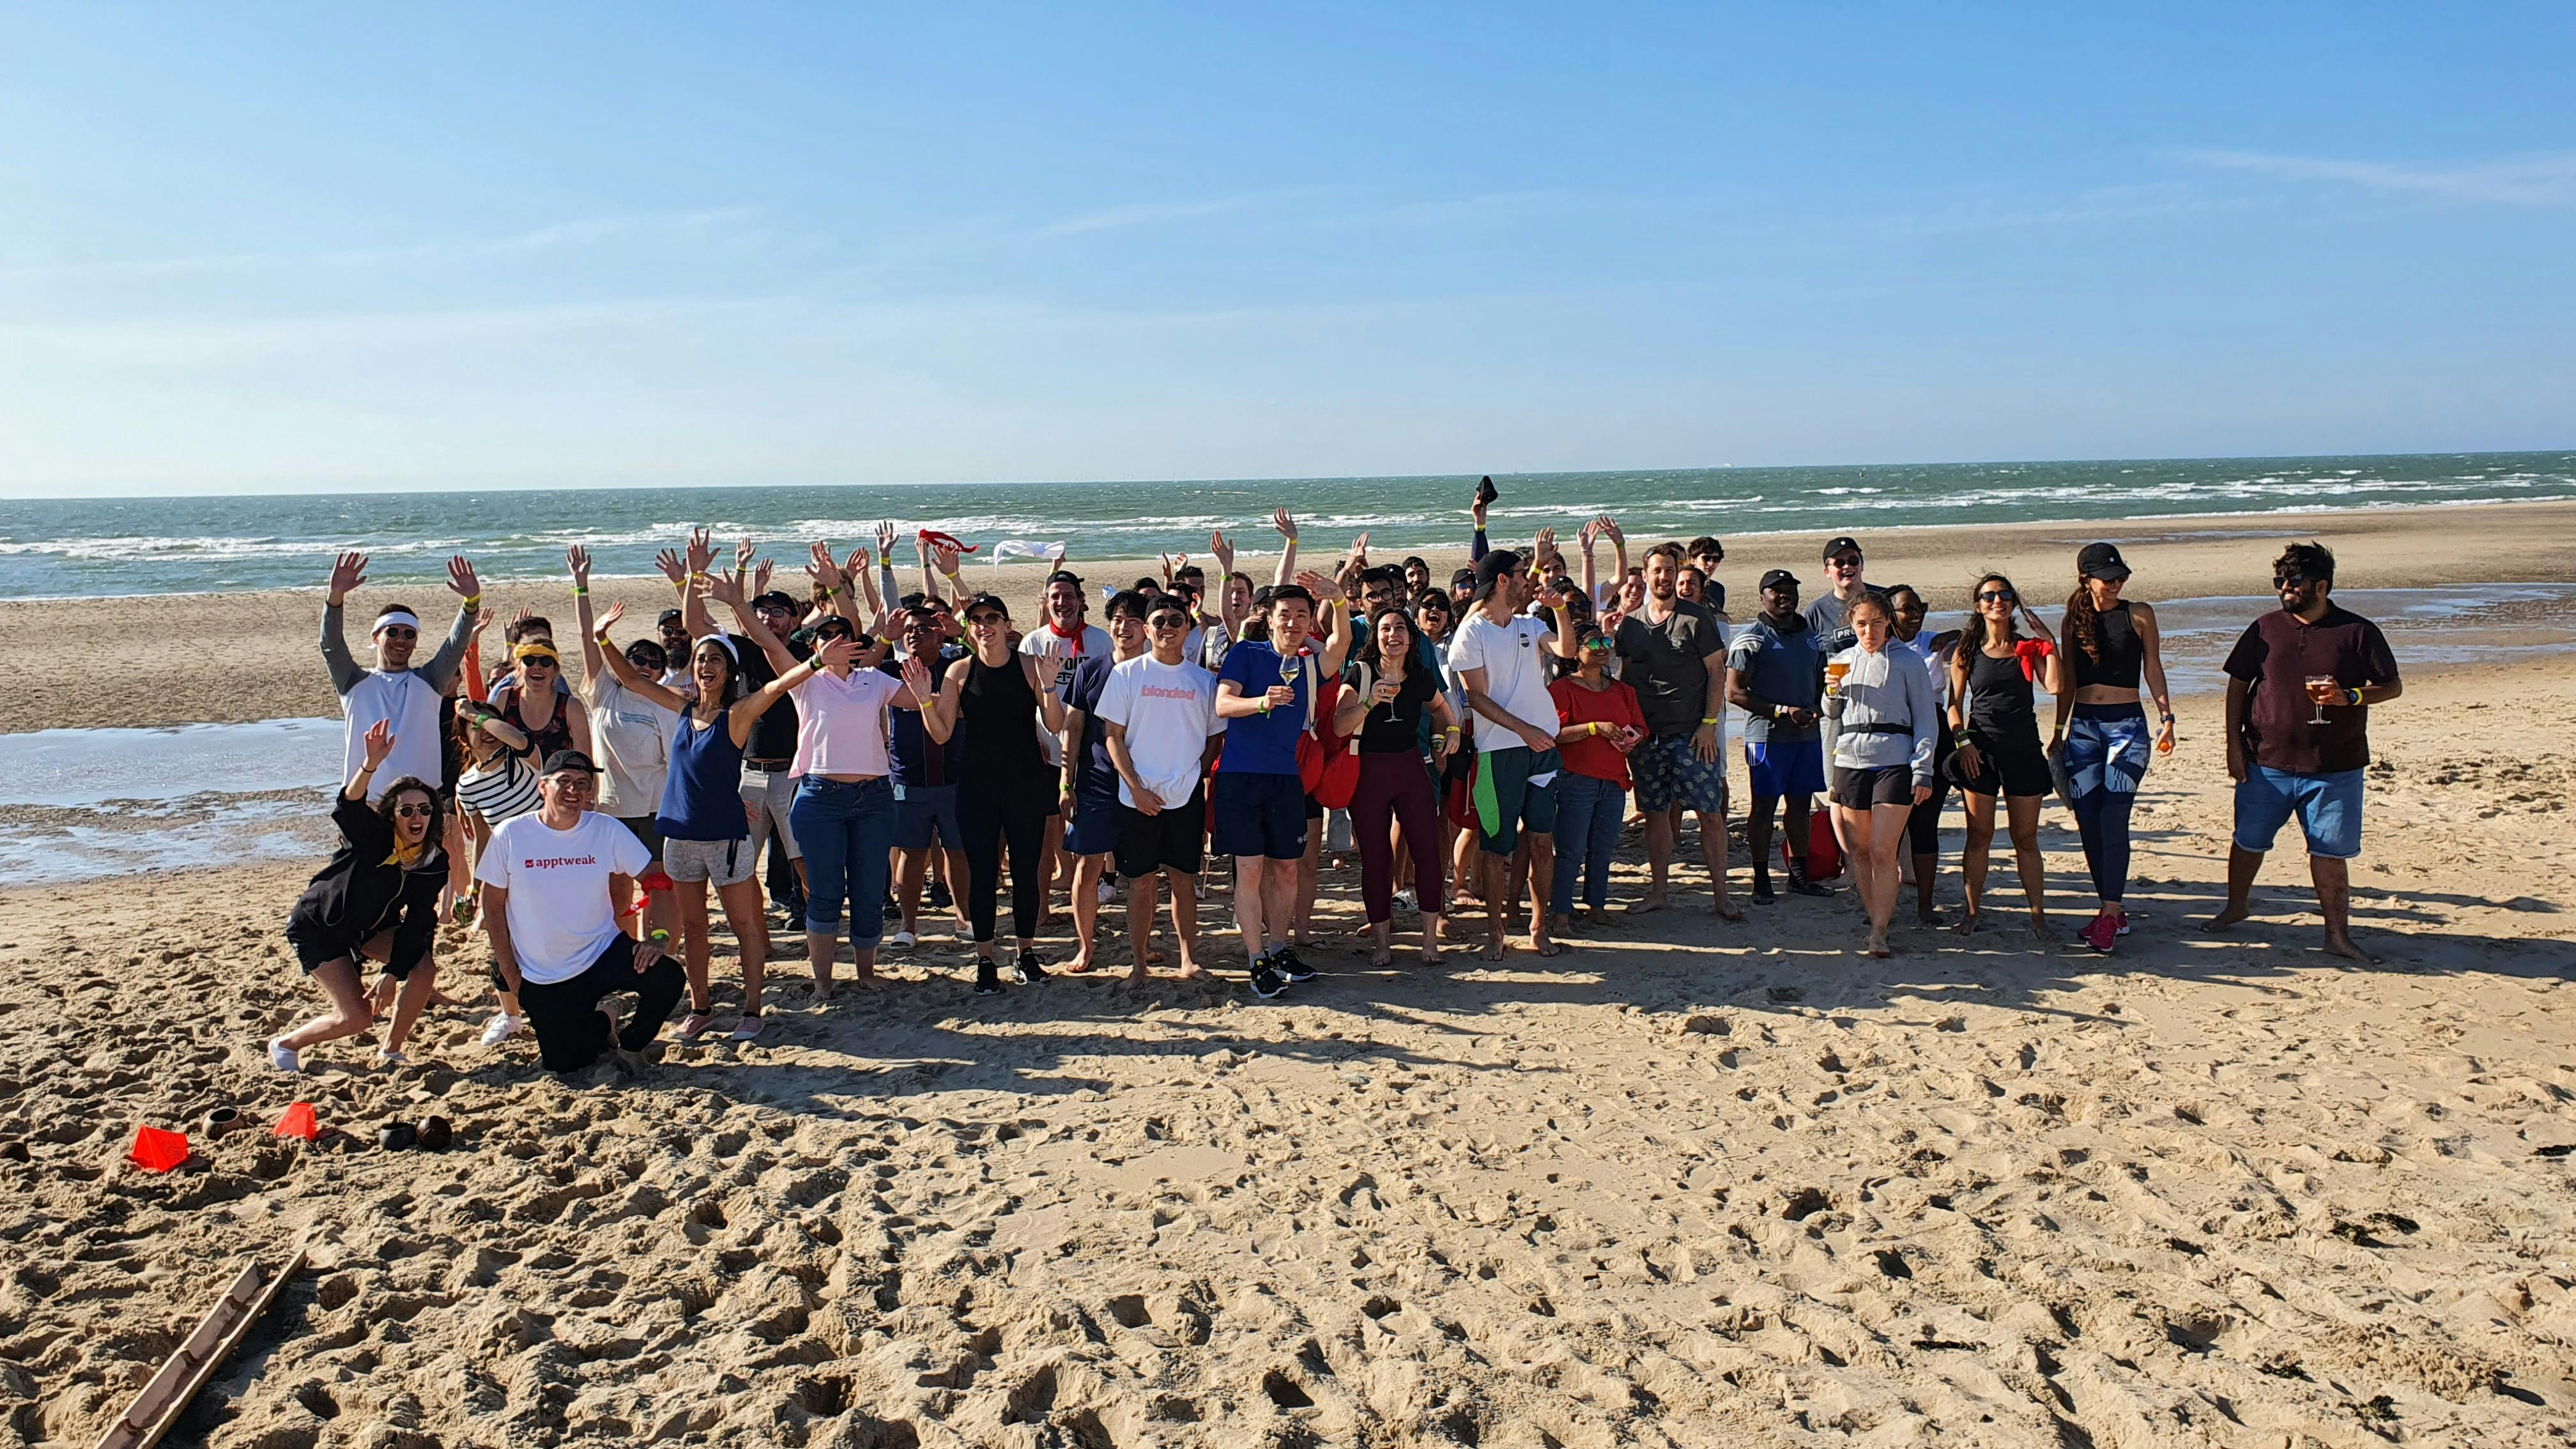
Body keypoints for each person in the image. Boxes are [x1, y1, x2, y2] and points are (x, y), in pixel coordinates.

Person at [592, 595, 812, 1040]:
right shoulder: (683, 707)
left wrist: (817, 662)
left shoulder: (737, 714)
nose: (705, 666)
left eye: (715, 659)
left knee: (744, 926)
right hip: (680, 836)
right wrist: (601, 637)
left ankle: (752, 1010)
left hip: (725, 837)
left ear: (729, 671)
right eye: (700, 659)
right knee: (693, 927)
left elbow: (776, 688)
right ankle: (701, 1007)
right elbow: (631, 679)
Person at [719, 567, 916, 999]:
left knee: (869, 892)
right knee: (825, 893)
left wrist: (908, 659)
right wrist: (738, 603)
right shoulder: (806, 683)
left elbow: (923, 701)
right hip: (820, 798)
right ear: (813, 646)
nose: (833, 642)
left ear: (854, 644)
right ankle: (823, 982)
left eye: (841, 636)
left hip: (874, 798)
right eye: (824, 637)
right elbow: (770, 644)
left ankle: (866, 974)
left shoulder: (874, 679)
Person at [2210, 542, 2400, 962]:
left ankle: (2337, 936)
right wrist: (2233, 744)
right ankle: (2235, 907)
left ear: (2322, 586)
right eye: (2280, 581)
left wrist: (2350, 696)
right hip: (2265, 761)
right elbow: (2238, 684)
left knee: (2329, 852)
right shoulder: (2265, 629)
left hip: (2335, 766)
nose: (2285, 589)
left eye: (2294, 581)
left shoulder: (2357, 632)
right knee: (2248, 841)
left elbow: (2391, 686)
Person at [475, 751, 686, 1075]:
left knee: (668, 976)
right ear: (543, 787)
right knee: (567, 1064)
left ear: (589, 793)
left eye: (583, 784)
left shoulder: (605, 828)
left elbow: (657, 883)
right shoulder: (511, 834)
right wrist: (509, 969)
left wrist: (658, 937)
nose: (573, 790)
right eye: (565, 781)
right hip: (543, 973)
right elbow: (492, 904)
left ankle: (632, 1045)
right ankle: (605, 1021)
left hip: (601, 951)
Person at [270, 721, 448, 1072]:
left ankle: (391, 1051)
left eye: (425, 810)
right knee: (357, 1018)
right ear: (393, 815)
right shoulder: (373, 836)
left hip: (370, 928)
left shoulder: (432, 861)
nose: (417, 817)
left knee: (424, 967)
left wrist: (392, 973)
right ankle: (285, 1044)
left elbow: (418, 922)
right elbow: (349, 805)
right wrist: (370, 765)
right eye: (407, 810)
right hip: (320, 926)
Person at [919, 593, 1068, 994]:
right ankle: (985, 958)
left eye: (991, 619)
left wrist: (1049, 686)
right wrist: (923, 699)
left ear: (1006, 625)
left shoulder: (1031, 666)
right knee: (982, 874)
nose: (984, 626)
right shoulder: (959, 671)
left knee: (1026, 872)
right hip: (977, 786)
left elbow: (1055, 724)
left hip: (1026, 783)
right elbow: (941, 733)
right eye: (977, 620)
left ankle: (1026, 953)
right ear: (969, 629)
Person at [1213, 579, 1353, 997]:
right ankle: (1257, 959)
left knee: (1287, 868)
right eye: (1285, 615)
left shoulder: (1309, 665)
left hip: (1287, 778)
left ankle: (1278, 948)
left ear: (1310, 623)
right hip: (1240, 776)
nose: (1292, 623)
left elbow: (1342, 644)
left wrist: (1338, 598)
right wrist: (1262, 702)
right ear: (1270, 620)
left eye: (1301, 616)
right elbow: (1222, 704)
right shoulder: (1246, 653)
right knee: (1250, 869)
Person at [2051, 543, 2177, 953]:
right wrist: (2058, 730)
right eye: (2108, 578)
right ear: (2086, 580)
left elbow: (2153, 667)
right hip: (2084, 728)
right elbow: (2068, 682)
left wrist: (2167, 717)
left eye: (2121, 576)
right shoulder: (2072, 621)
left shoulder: (2139, 614)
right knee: (2087, 820)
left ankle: (2109, 913)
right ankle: (2111, 908)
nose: (2116, 583)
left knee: (2113, 817)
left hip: (2127, 728)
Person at [1450, 549, 1571, 960]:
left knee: (1541, 840)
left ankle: (1538, 928)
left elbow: (1567, 650)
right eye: (1521, 573)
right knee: (1496, 847)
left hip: (1542, 749)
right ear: (1502, 580)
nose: (1528, 579)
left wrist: (1560, 610)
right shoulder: (1471, 633)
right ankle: (1495, 933)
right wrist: (1524, 730)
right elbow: (1477, 698)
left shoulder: (1529, 623)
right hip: (1498, 752)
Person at [1099, 594, 1227, 980]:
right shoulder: (1126, 674)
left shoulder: (1204, 681)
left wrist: (1193, 776)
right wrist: (1136, 789)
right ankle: (1139, 963)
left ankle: (1188, 959)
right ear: (1147, 629)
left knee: (1184, 881)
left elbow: (1214, 738)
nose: (1167, 628)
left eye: (1175, 620)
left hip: (1185, 797)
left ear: (1188, 628)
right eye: (1159, 621)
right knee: (1140, 884)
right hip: (1135, 798)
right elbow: (1113, 736)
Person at [1616, 542, 1740, 919]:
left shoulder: (1697, 618)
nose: (1664, 577)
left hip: (1692, 735)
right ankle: (1658, 892)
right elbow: (1624, 678)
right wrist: (1628, 728)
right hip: (1647, 737)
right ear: (1645, 575)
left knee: (1709, 814)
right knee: (1655, 813)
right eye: (1657, 570)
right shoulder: (1631, 624)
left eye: (1670, 570)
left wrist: (1709, 725)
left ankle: (1722, 896)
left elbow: (1717, 673)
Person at [1335, 604, 1459, 966]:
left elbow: (1442, 710)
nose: (1393, 635)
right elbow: (1339, 726)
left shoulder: (1418, 674)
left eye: (1400, 628)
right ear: (1375, 637)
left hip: (1410, 766)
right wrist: (1370, 702)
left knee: (1428, 854)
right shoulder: (1360, 672)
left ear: (1411, 637)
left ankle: (1429, 941)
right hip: (1369, 771)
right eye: (1385, 629)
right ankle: (1382, 943)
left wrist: (1449, 732)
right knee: (1377, 860)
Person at [1946, 573, 2065, 940]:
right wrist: (1963, 743)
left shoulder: (2027, 648)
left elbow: (2056, 686)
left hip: (2024, 751)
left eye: (2004, 595)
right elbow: (1953, 705)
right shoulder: (1966, 652)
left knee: (2025, 838)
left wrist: (2050, 642)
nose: (1997, 601)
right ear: (1978, 606)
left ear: (2013, 603)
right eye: (1989, 596)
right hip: (1979, 753)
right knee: (1979, 835)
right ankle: (1972, 913)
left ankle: (2038, 917)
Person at [571, 546, 678, 943]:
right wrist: (581, 587)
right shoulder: (604, 691)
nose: (645, 666)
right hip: (611, 809)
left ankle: (660, 948)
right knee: (617, 888)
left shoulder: (664, 704)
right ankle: (623, 950)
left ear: (662, 672)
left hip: (653, 809)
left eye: (654, 662)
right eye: (637, 659)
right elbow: (588, 639)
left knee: (658, 886)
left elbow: (678, 764)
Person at [1823, 595, 1938, 957]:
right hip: (1851, 758)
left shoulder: (1908, 661)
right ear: (1851, 624)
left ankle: (1879, 931)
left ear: (1888, 621)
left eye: (1876, 622)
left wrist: (1923, 768)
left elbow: (1926, 718)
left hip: (1895, 760)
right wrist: (1831, 690)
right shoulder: (1843, 660)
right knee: (1858, 849)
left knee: (1883, 849)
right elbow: (1831, 713)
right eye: (1861, 624)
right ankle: (1876, 915)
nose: (1869, 631)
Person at [321, 551, 480, 801]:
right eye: (392, 632)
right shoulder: (353, 682)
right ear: (376, 637)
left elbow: (455, 646)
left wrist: (471, 603)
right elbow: (331, 645)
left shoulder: (429, 681)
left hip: (422, 806)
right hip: (367, 803)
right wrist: (335, 598)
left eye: (409, 634)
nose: (401, 640)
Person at [1058, 590, 1152, 972]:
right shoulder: (1091, 670)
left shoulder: (1156, 671)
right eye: (1117, 619)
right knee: (1088, 866)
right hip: (1096, 783)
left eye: (1133, 620)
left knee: (1142, 874)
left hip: (1145, 784)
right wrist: (1065, 782)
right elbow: (1073, 725)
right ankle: (1085, 946)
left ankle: (1142, 949)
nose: (1123, 627)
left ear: (1147, 628)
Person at [1726, 570, 1830, 903]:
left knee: (1800, 806)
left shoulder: (1811, 636)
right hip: (1767, 738)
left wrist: (1816, 708)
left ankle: (1799, 877)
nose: (1785, 595)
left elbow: (1821, 682)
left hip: (1806, 737)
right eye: (1777, 591)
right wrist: (1782, 711)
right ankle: (1761, 880)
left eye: (1791, 590)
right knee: (1763, 809)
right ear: (1763, 598)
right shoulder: (1751, 639)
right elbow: (1734, 692)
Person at [881, 601, 969, 948]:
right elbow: (859, 673)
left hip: (955, 777)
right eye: (908, 631)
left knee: (958, 851)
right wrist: (883, 638)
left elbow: (992, 663)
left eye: (922, 628)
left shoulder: (955, 668)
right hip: (908, 779)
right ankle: (908, 926)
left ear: (939, 636)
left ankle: (964, 918)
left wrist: (962, 633)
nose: (913, 635)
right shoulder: (892, 670)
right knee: (912, 854)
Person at [1547, 625, 1644, 927]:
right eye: (1593, 643)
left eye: (1605, 642)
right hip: (1575, 779)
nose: (1602, 648)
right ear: (1576, 652)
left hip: (1614, 780)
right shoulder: (1561, 690)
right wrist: (1593, 728)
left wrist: (1633, 738)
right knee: (1570, 850)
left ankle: (1597, 906)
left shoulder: (1623, 691)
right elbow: (1554, 734)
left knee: (1603, 848)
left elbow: (1640, 727)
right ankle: (1560, 912)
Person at [1886, 584, 1955, 926]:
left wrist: (1954, 635)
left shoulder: (1931, 642)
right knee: (1890, 826)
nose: (1915, 615)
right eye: (1907, 609)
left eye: (1920, 608)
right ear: (1890, 614)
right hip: (1895, 733)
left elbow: (1975, 639)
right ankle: (1884, 904)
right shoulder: (1882, 647)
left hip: (1935, 730)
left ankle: (1925, 905)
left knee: (1926, 823)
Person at [1804, 535, 1885, 652]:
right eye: (1839, 563)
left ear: (1862, 565)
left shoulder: (1885, 598)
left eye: (1853, 561)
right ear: (1827, 572)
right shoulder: (1816, 612)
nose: (1847, 566)